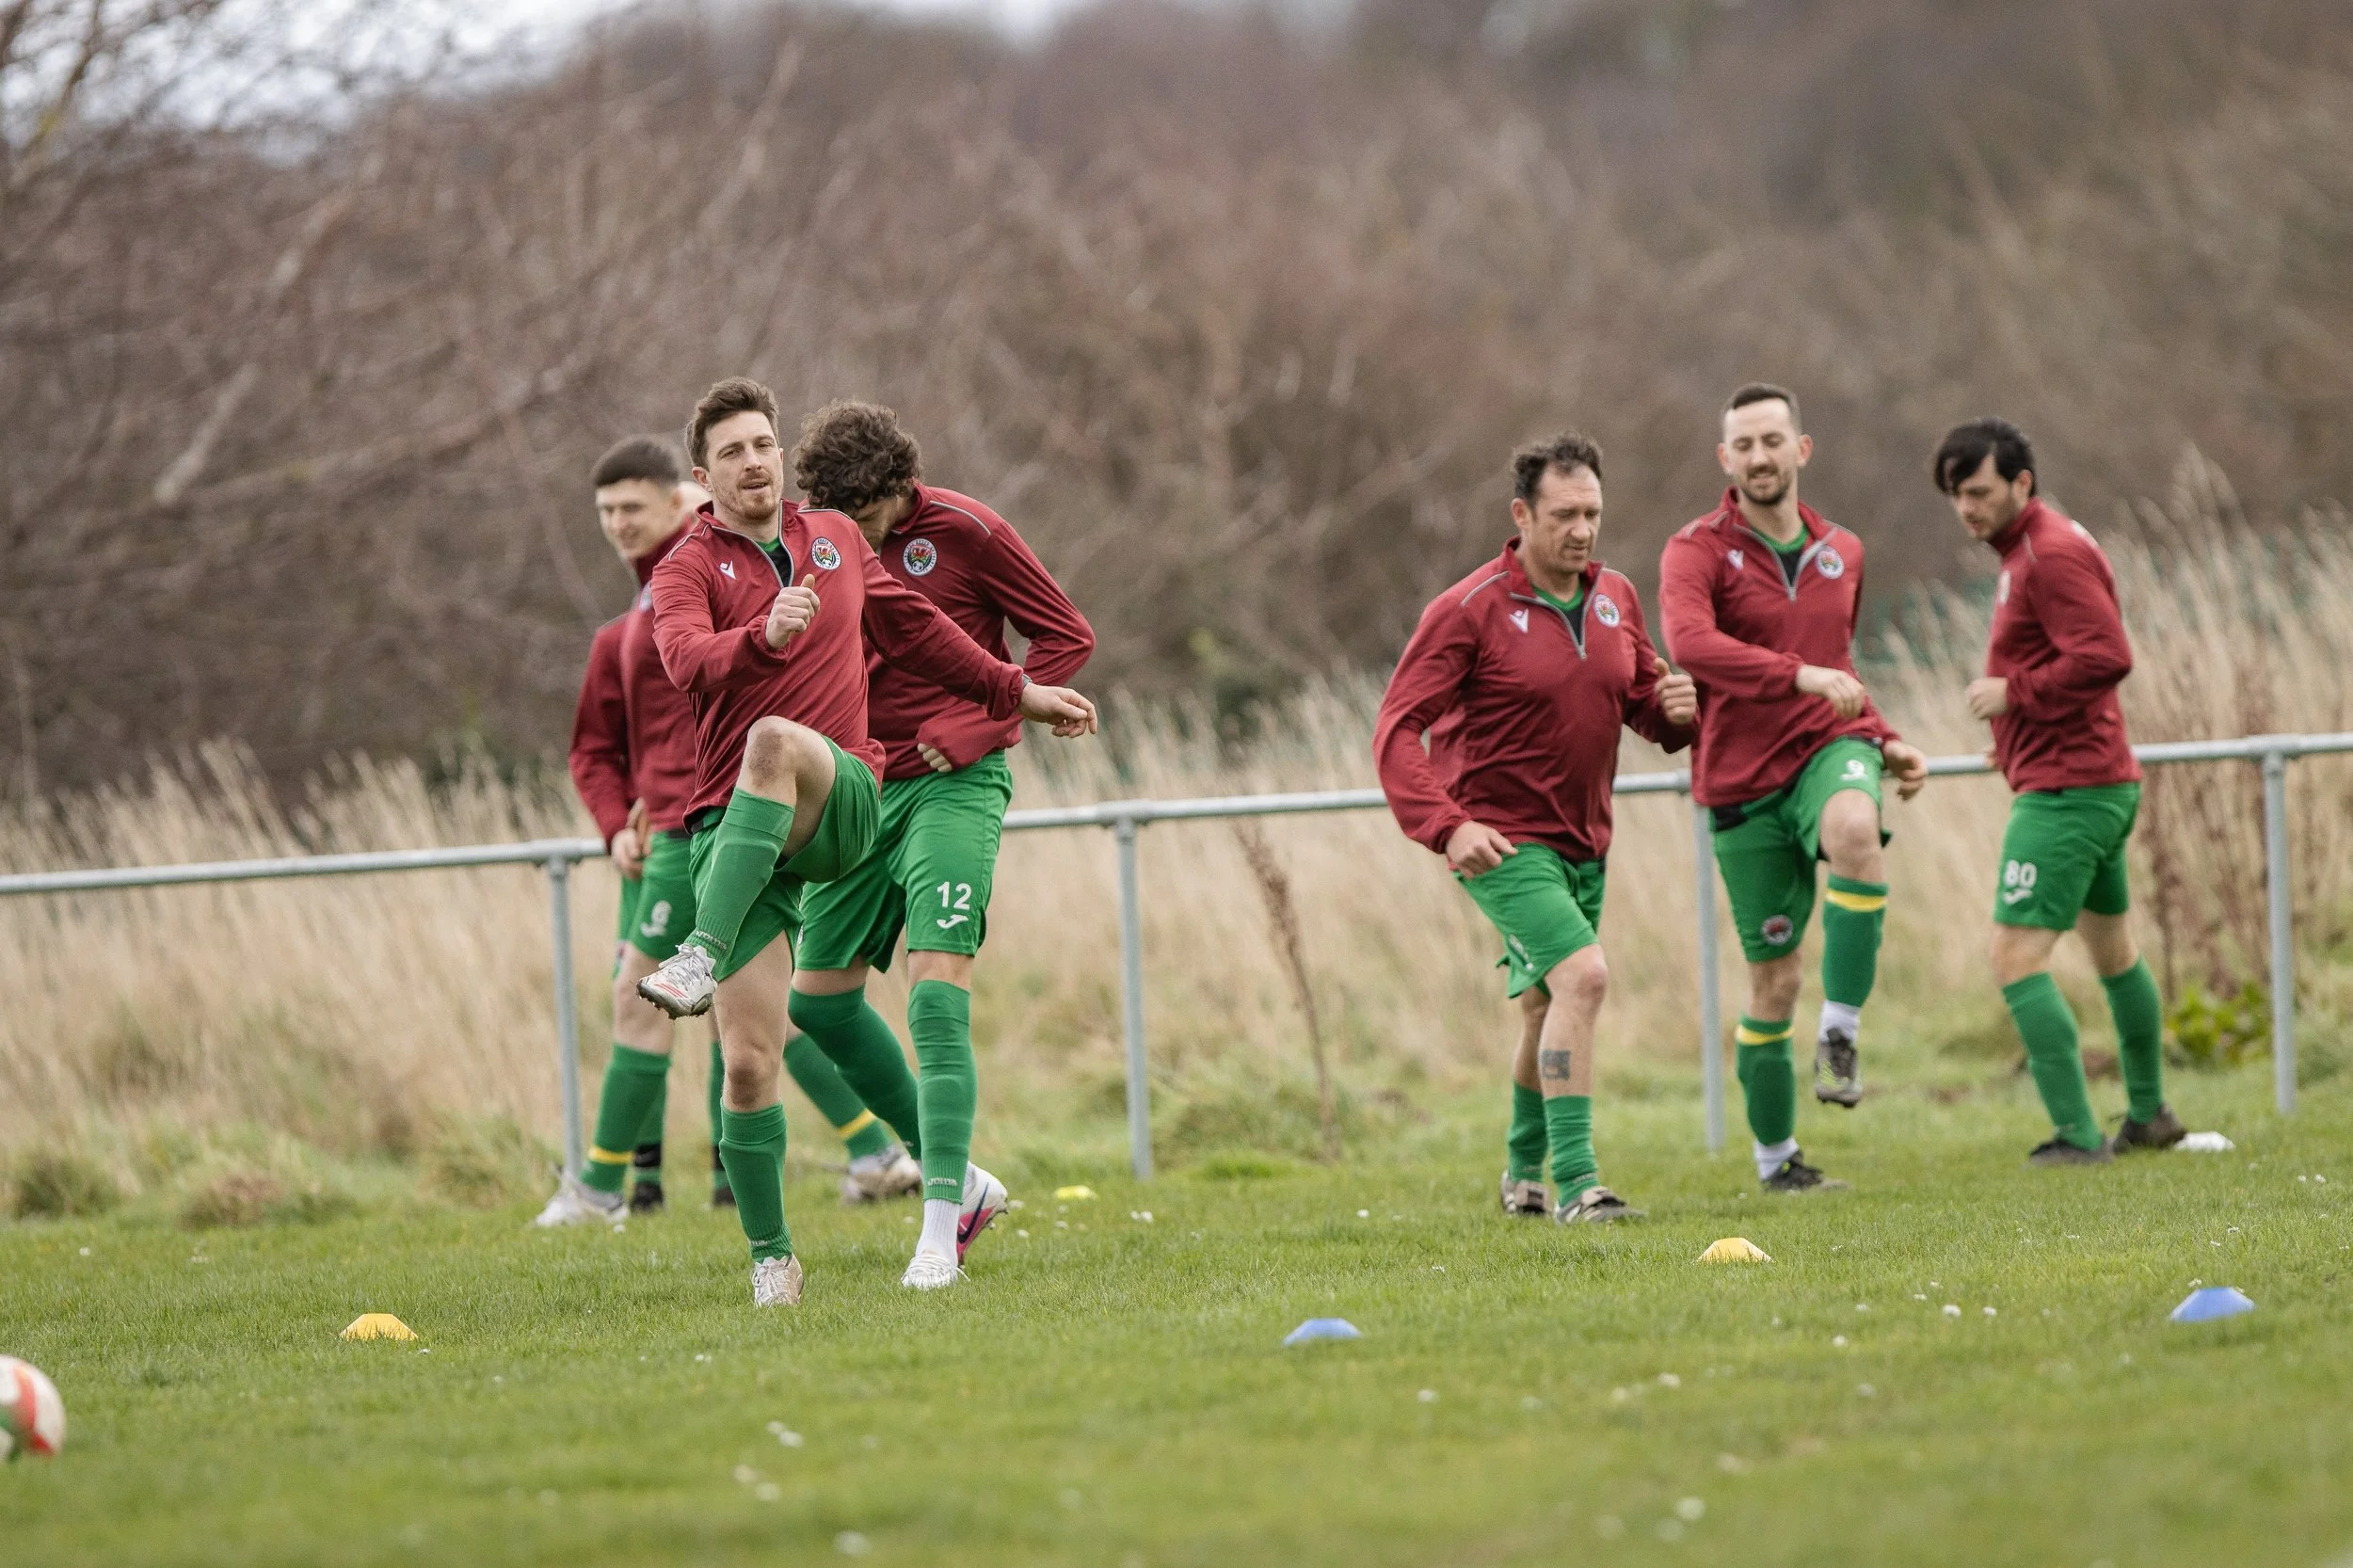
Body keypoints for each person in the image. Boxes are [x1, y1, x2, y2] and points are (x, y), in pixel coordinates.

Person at [635, 378, 1096, 1307]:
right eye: (733, 451)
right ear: (704, 475)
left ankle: (935, 1227)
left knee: (931, 984)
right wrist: (757, 639)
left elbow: (940, 631)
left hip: (895, 783)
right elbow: (681, 660)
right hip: (774, 812)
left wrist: (1008, 702)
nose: (754, 461)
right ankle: (787, 1255)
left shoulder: (878, 537)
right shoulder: (699, 565)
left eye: (762, 443)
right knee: (780, 1035)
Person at [542, 438, 921, 1229]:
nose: (617, 524)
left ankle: (603, 1189)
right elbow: (597, 746)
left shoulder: (721, 577)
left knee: (653, 1003)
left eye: (632, 508)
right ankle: (877, 1155)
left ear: (683, 498)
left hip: (710, 824)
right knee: (756, 1020)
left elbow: (780, 670)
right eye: (605, 512)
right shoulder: (628, 626)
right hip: (673, 829)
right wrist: (615, 821)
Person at [785, 401, 1096, 1289]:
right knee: (820, 1001)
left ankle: (935, 1237)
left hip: (958, 783)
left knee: (934, 986)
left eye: (870, 515)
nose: (858, 533)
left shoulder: (969, 529)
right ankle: (966, 1180)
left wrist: (971, 723)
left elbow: (1067, 637)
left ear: (899, 487)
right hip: (864, 783)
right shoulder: (822, 541)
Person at [1375, 433, 1697, 1224]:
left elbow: (1645, 708)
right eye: (1563, 515)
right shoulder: (1468, 609)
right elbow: (1395, 732)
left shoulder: (1617, 594)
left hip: (1588, 839)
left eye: (1592, 513)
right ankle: (1580, 1184)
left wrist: (1677, 714)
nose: (1581, 530)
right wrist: (1448, 828)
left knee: (1543, 1005)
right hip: (1503, 842)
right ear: (1522, 515)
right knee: (1585, 976)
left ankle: (1521, 1173)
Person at [1658, 383, 1929, 1193]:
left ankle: (1841, 1033)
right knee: (1772, 980)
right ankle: (1778, 1162)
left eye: (1773, 440)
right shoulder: (1694, 551)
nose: (1759, 457)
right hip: (1739, 787)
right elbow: (1692, 647)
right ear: (1725, 460)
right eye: (1743, 445)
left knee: (1855, 831)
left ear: (1801, 449)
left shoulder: (1842, 548)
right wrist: (1798, 674)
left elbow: (1838, 664)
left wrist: (1884, 739)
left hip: (1826, 750)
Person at [1932, 417, 2180, 1163]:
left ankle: (2077, 1136)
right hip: (2090, 779)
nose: (1967, 509)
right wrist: (2013, 739)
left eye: (1978, 492)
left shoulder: (2049, 554)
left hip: (2069, 794)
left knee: (2014, 956)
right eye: (1956, 496)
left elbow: (2107, 655)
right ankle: (2150, 1116)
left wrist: (2015, 695)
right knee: (2113, 950)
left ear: (2022, 483)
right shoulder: (2029, 550)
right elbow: (2069, 663)